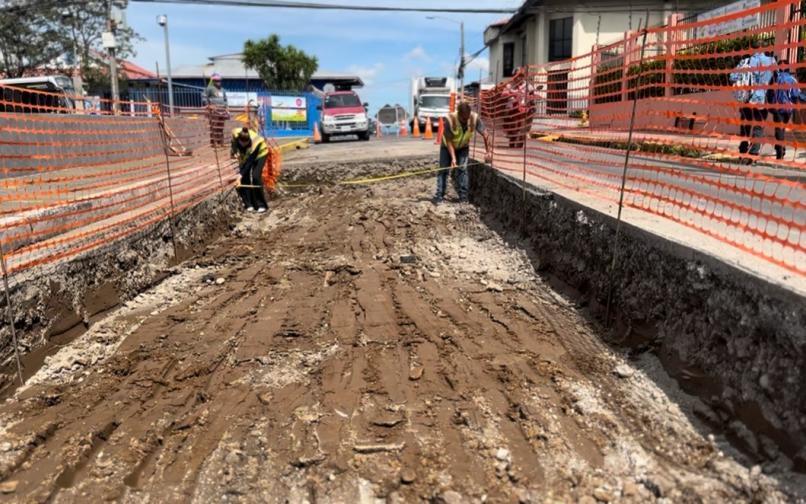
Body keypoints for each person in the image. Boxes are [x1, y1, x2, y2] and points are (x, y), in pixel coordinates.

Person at [435, 102, 493, 204]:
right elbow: (448, 141)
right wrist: (453, 158)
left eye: (467, 118)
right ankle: (439, 196)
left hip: (463, 147)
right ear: (459, 114)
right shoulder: (450, 119)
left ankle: (463, 197)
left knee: (462, 169)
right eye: (463, 119)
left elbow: (485, 134)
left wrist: (488, 151)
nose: (466, 121)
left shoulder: (474, 118)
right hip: (447, 147)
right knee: (443, 169)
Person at [730, 40, 775, 163]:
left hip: (746, 99)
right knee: (758, 127)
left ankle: (742, 152)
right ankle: (753, 154)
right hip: (762, 100)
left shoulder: (745, 61)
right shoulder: (771, 61)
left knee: (745, 126)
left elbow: (732, 77)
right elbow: (775, 80)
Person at [768, 60, 806, 160]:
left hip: (777, 108)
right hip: (788, 109)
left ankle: (780, 152)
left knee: (779, 130)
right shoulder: (792, 79)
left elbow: (769, 93)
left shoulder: (775, 78)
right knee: (782, 129)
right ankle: (780, 148)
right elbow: (796, 95)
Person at [231, 127, 269, 213]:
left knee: (256, 176)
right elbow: (233, 143)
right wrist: (235, 152)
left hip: (260, 154)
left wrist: (239, 176)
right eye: (241, 145)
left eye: (245, 145)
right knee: (244, 177)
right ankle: (248, 204)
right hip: (246, 155)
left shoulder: (255, 144)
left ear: (249, 142)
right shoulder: (236, 134)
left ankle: (261, 204)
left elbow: (249, 162)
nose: (243, 146)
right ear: (239, 140)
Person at [204, 73, 229, 147]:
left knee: (221, 127)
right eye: (217, 81)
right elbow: (204, 97)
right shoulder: (209, 89)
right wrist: (209, 105)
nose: (218, 82)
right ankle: (214, 142)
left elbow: (225, 99)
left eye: (219, 81)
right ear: (213, 81)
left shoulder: (223, 90)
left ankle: (221, 142)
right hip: (214, 111)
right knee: (214, 126)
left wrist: (226, 107)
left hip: (222, 110)